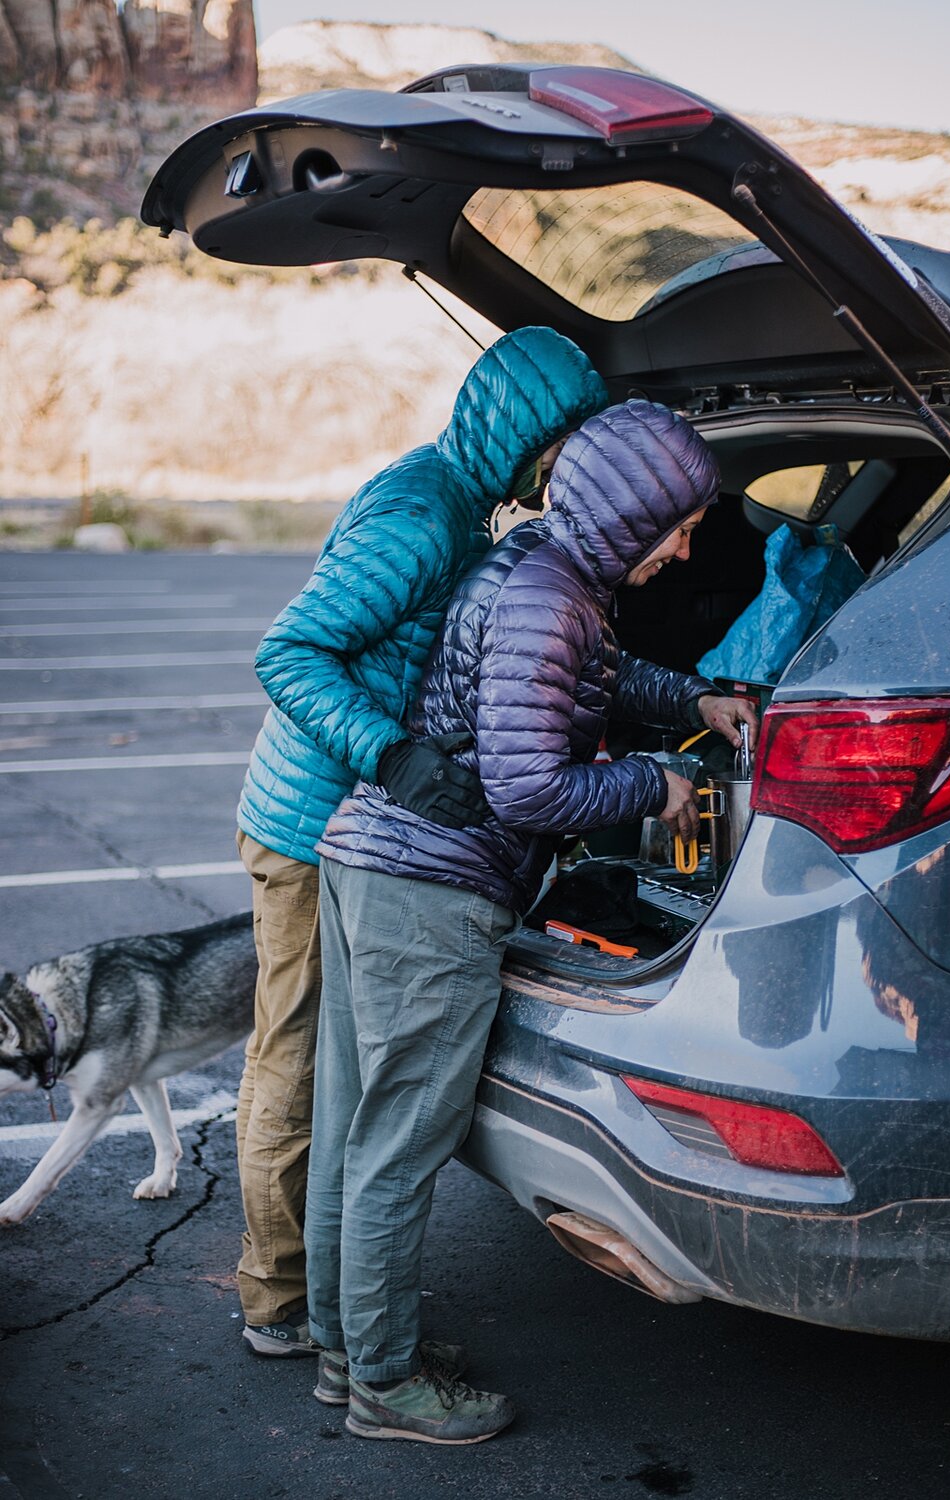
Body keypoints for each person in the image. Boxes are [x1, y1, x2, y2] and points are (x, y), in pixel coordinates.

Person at [259, 398, 756, 1442]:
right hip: (431, 893)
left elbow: (601, 678)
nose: (684, 547)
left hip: (373, 865)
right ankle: (385, 1388)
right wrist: (654, 785)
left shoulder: (543, 566)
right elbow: (530, 792)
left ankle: (352, 1353)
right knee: (395, 1144)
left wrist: (694, 701)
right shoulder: (551, 599)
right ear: (626, 517)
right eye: (677, 525)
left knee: (359, 1130)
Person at [233, 326, 608, 1356]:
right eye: (557, 451)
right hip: (312, 824)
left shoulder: (458, 497)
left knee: (331, 1075)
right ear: (524, 432)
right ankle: (278, 1302)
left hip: (349, 817)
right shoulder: (419, 516)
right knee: (299, 1064)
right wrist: (392, 754)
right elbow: (290, 650)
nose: (559, 476)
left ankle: (333, 1308)